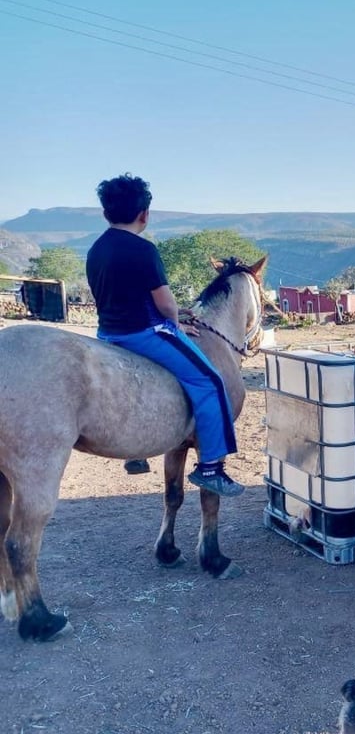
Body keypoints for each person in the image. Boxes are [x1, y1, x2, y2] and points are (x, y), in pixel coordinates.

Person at [86, 173, 244, 497]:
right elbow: (165, 304)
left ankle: (136, 452)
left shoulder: (95, 250)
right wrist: (175, 324)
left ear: (106, 213)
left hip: (108, 334)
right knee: (211, 381)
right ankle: (212, 467)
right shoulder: (144, 250)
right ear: (144, 214)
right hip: (144, 331)